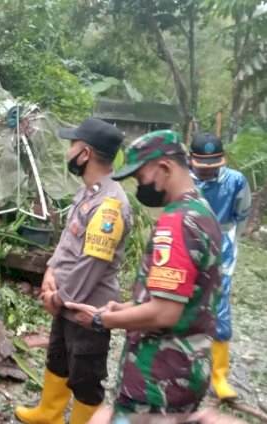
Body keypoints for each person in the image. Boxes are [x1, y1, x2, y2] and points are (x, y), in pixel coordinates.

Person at [66, 130, 223, 417]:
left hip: (157, 380)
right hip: (186, 370)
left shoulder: (177, 223)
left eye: (140, 179)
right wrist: (125, 306)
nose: (139, 189)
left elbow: (164, 313)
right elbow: (183, 298)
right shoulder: (202, 212)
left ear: (164, 169)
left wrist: (102, 319)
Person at [15, 117, 132, 424]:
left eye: (72, 145)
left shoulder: (110, 205)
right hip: (65, 298)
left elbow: (92, 264)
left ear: (86, 154)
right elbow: (69, 241)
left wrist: (60, 297)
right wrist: (50, 271)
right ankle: (49, 413)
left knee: (86, 375)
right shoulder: (87, 192)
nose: (68, 151)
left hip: (86, 306)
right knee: (58, 357)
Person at [190, 132, 251, 400]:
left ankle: (219, 376)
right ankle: (185, 368)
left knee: (220, 308)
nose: (207, 172)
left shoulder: (236, 181)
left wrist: (228, 240)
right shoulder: (184, 178)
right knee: (183, 303)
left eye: (212, 167)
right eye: (202, 167)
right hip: (188, 244)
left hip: (222, 250)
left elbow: (242, 214)